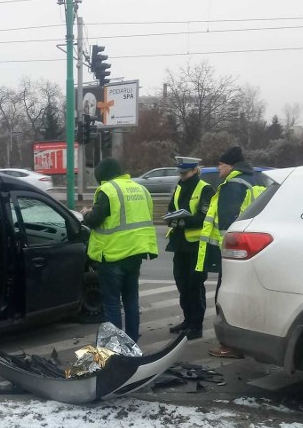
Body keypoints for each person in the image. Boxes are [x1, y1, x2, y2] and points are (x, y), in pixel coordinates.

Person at [81, 158, 158, 342]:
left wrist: (86, 214)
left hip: (113, 255)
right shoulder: (141, 189)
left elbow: (94, 220)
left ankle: (117, 345)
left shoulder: (108, 190)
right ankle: (132, 342)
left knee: (112, 303)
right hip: (136, 253)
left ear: (103, 177)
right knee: (131, 300)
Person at [196, 145, 260, 359]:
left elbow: (226, 224)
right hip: (252, 249)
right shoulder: (253, 180)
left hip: (234, 252)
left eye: (220, 164)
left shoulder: (232, 185)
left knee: (225, 297)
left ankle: (229, 345)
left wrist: (222, 252)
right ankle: (245, 342)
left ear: (231, 165)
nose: (218, 167)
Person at [165, 156, 215, 340]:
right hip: (179, 244)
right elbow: (171, 209)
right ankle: (187, 321)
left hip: (196, 247)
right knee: (182, 285)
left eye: (185, 172)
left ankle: (196, 325)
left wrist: (182, 221)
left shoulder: (205, 189)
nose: (182, 175)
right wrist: (172, 218)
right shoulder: (179, 187)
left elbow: (204, 217)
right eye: (180, 172)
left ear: (195, 170)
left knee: (195, 286)